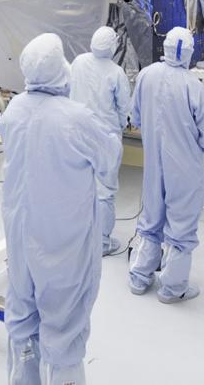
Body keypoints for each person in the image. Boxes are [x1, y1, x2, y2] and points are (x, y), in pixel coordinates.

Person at [1, 33, 115, 385]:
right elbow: (109, 157)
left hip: (20, 235)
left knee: (23, 311)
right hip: (61, 240)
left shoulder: (13, 111)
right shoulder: (75, 118)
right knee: (64, 321)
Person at [128, 27, 204, 303]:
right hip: (183, 165)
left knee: (151, 216)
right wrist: (198, 149)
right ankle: (172, 287)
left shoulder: (147, 75)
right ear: (189, 52)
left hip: (154, 161)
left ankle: (139, 276)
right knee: (181, 223)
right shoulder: (192, 85)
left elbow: (136, 115)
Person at [70, 26, 133, 256]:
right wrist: (123, 125)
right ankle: (102, 243)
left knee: (80, 185)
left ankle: (80, 236)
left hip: (77, 134)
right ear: (112, 46)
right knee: (104, 191)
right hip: (104, 137)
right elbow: (124, 108)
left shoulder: (78, 62)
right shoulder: (116, 72)